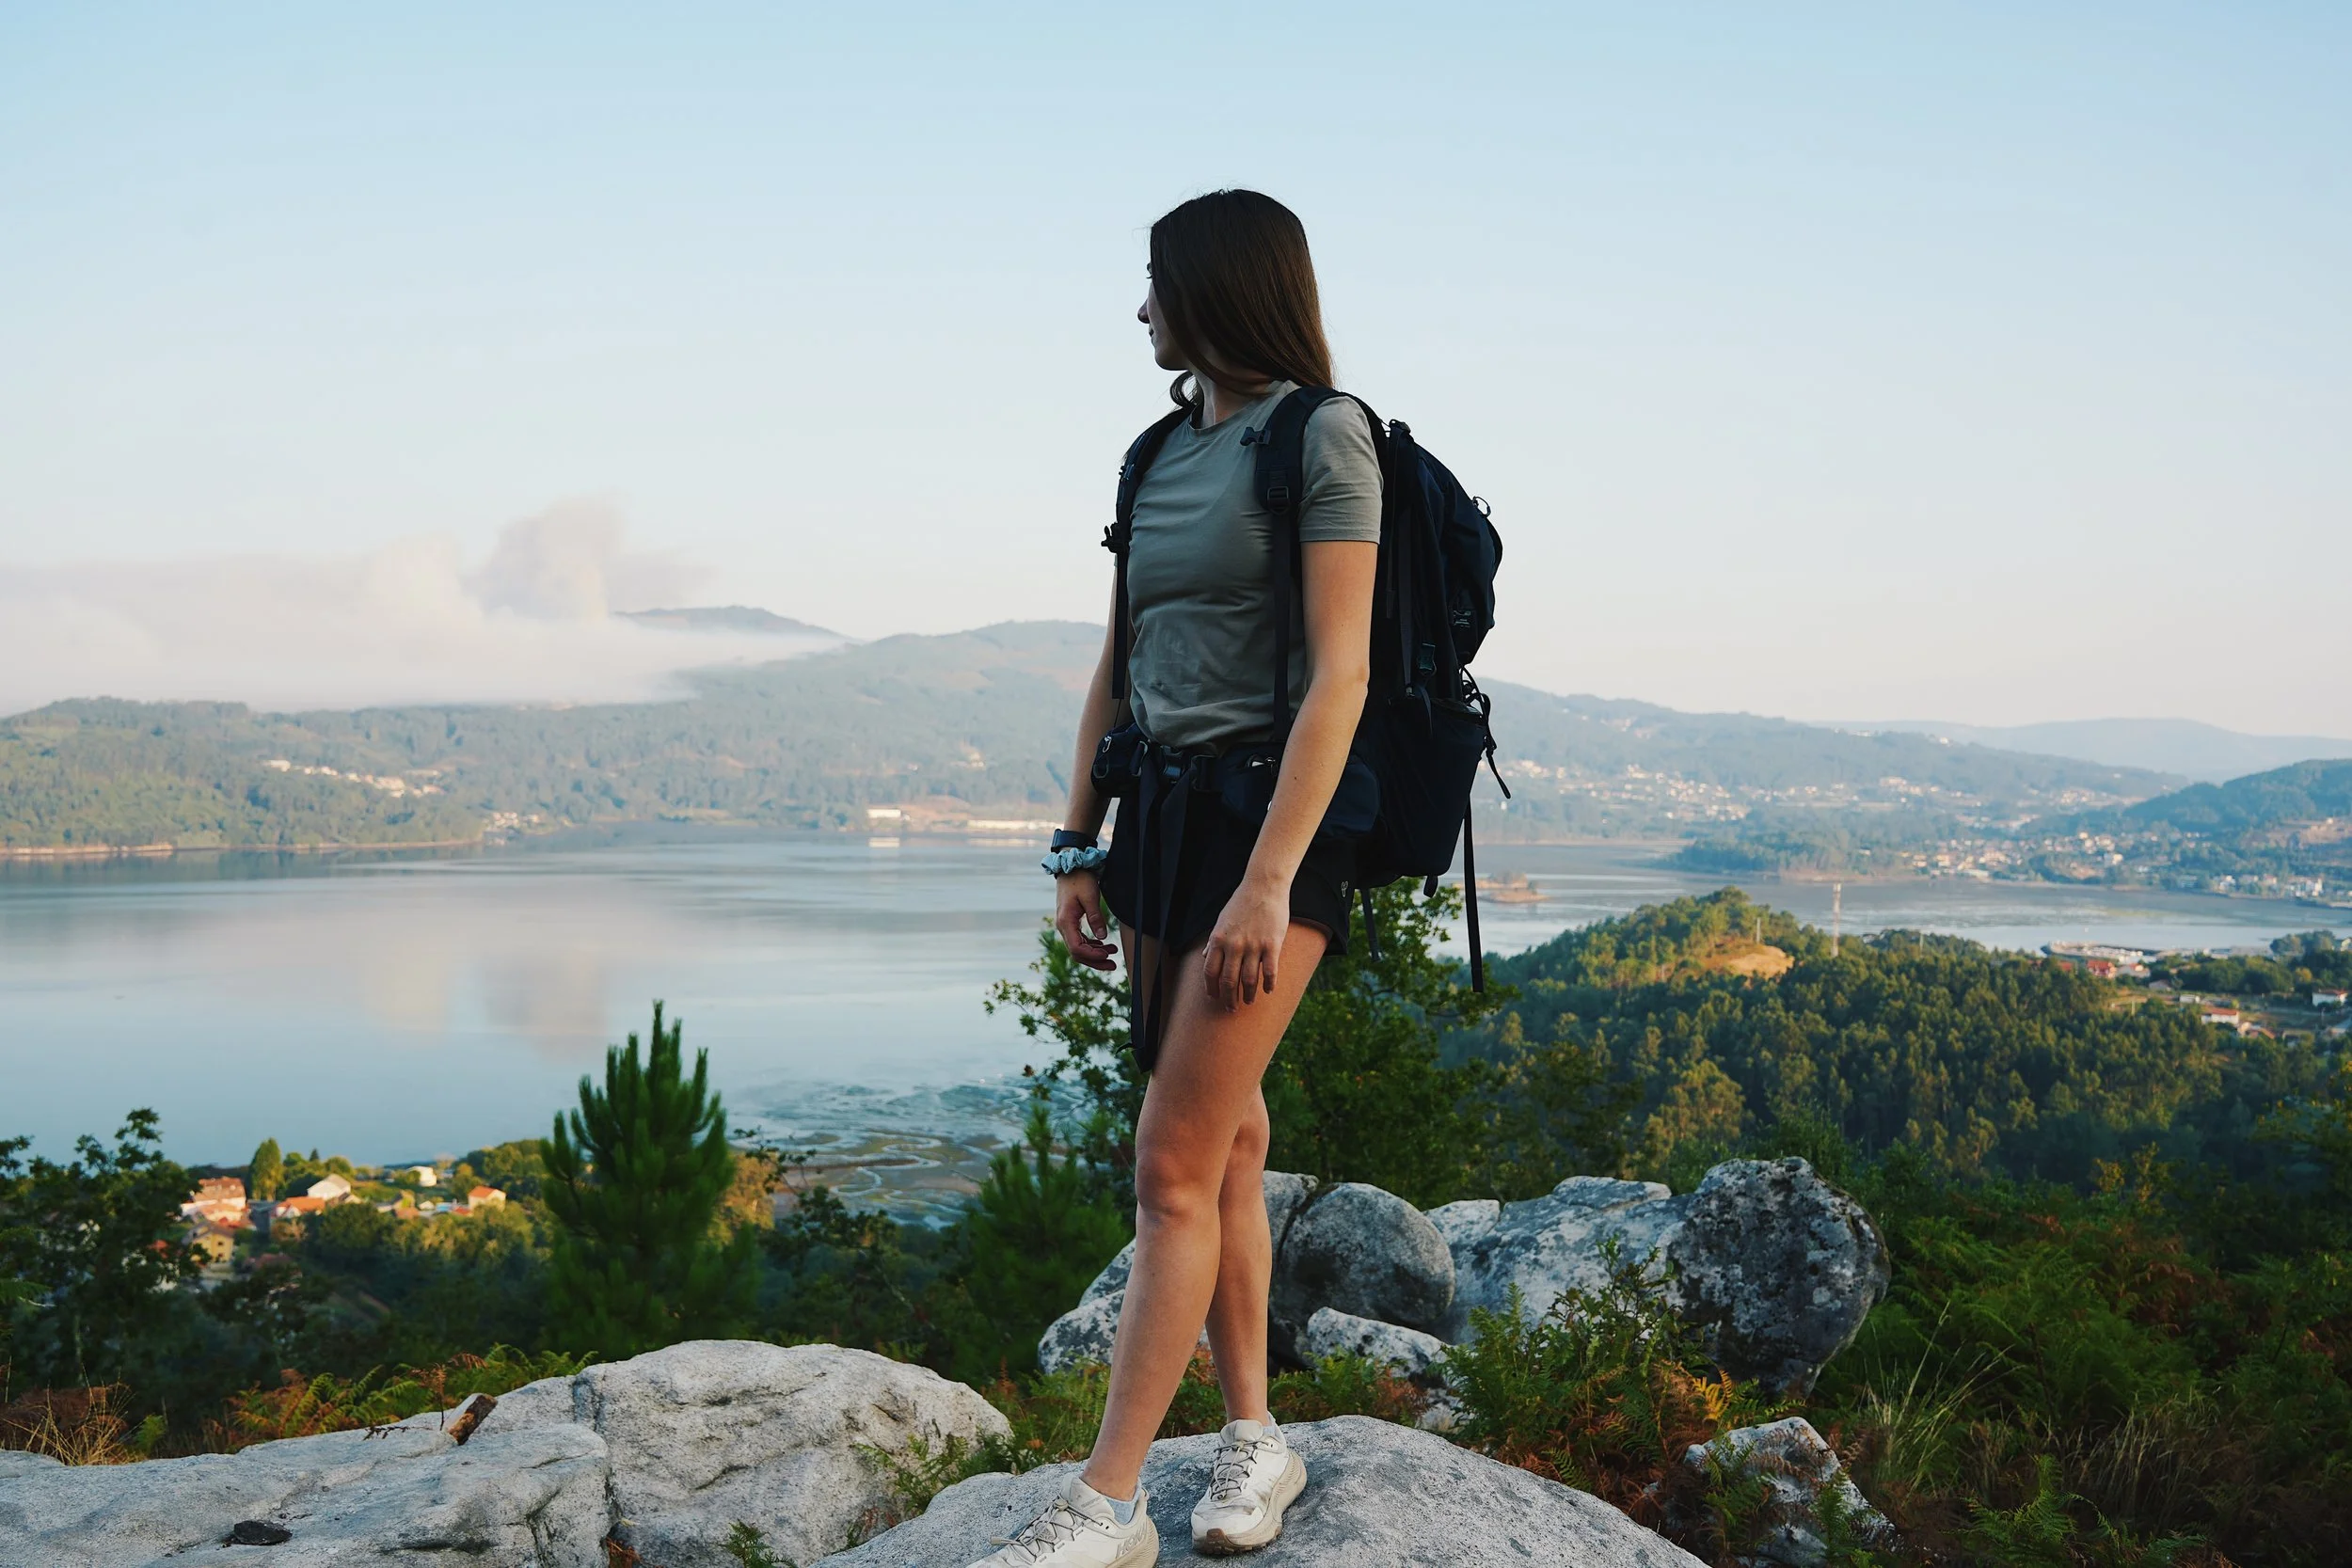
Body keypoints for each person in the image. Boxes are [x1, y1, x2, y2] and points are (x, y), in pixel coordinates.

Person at [970, 189, 1380, 1567]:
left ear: (1217, 290)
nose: (1140, 310)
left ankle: (1108, 1500)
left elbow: (1342, 676)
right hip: (1161, 823)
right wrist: (1080, 845)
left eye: (1156, 284)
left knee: (1168, 1166)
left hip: (1274, 833)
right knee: (1232, 1142)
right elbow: (1116, 663)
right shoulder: (1153, 452)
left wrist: (1270, 883)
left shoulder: (1325, 438)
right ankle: (1258, 1438)